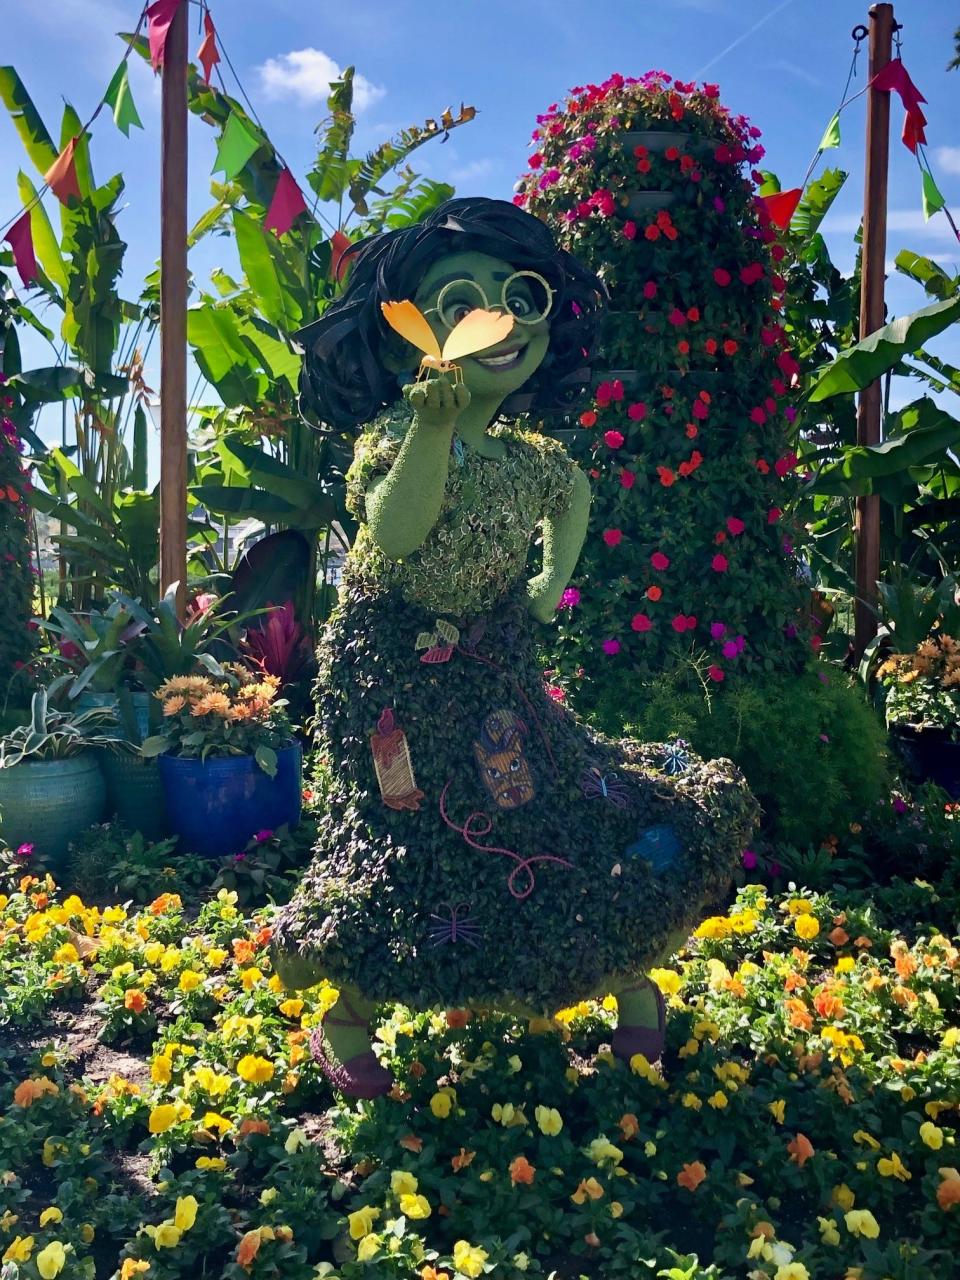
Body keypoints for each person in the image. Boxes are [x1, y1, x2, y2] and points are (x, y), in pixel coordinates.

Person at [272, 197, 757, 1098]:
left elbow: (571, 493)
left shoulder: (530, 459)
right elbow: (398, 530)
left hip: (494, 667)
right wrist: (428, 426)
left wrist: (543, 588)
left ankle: (613, 981)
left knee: (532, 801)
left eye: (519, 295)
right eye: (457, 299)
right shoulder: (392, 437)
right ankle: (349, 1013)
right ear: (403, 334)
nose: (494, 319)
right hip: (387, 680)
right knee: (401, 827)